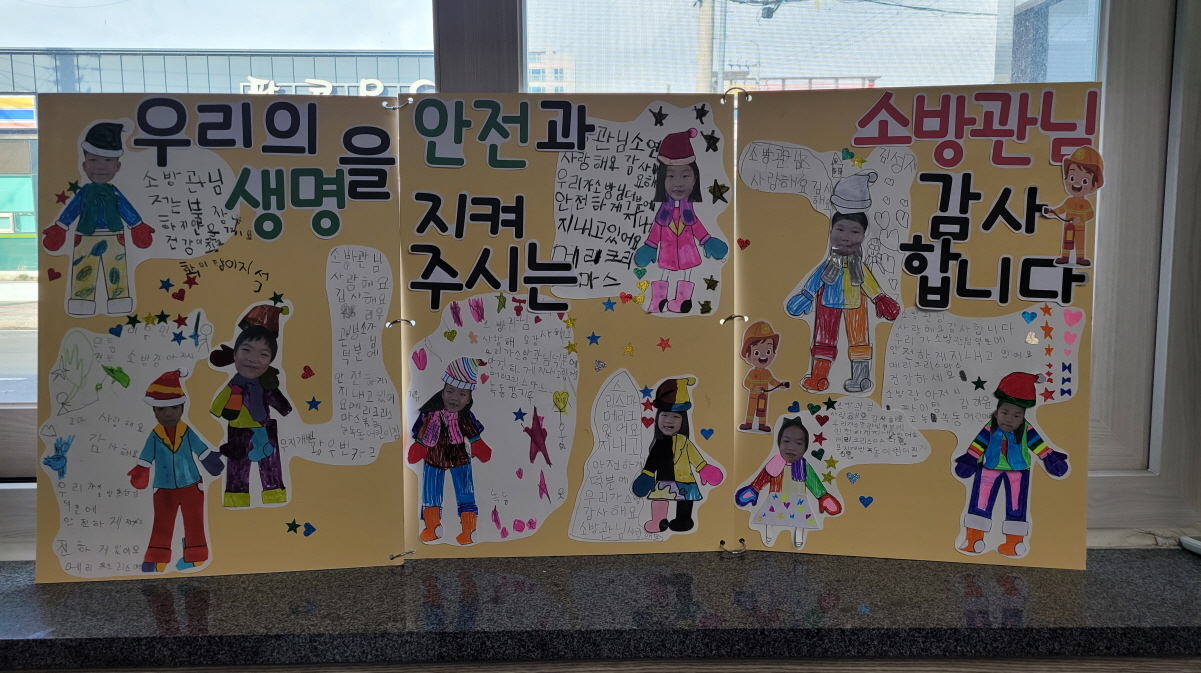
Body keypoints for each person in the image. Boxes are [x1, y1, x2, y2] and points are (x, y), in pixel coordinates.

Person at [785, 171, 900, 394]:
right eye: (840, 229)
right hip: (827, 302)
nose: (846, 236)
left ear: (863, 236)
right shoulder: (829, 264)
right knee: (824, 339)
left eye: (854, 231)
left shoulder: (860, 266)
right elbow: (816, 279)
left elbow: (868, 282)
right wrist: (806, 295)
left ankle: (861, 377)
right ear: (831, 232)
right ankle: (818, 376)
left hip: (856, 302)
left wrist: (880, 299)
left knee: (859, 340)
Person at [42, 122, 155, 316]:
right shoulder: (84, 192)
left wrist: (137, 225)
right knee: (82, 270)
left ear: (118, 166)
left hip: (115, 236)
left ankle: (119, 301)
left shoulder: (114, 192)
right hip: (84, 237)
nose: (100, 166)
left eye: (108, 160)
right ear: (84, 165)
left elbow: (126, 209)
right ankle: (81, 303)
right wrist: (60, 227)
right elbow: (71, 210)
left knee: (116, 270)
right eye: (93, 160)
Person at [953, 372, 1071, 558]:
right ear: (997, 412)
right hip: (989, 469)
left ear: (1023, 417)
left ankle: (1014, 543)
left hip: (1018, 471)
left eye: (1017, 415)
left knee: (1017, 505)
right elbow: (979, 444)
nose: (1009, 419)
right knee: (980, 501)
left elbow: (1039, 445)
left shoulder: (1027, 429)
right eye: (1005, 413)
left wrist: (1050, 458)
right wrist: (970, 458)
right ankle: (974, 539)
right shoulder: (990, 427)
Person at [127, 370, 224, 572]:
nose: (168, 413)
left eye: (174, 407)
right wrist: (141, 471)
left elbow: (201, 450)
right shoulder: (154, 435)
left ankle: (196, 555)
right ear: (154, 411)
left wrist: (213, 462)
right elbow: (145, 458)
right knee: (162, 522)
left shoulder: (187, 431)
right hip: (163, 487)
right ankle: (157, 558)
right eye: (161, 409)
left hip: (191, 484)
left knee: (194, 521)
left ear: (182, 408)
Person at [633, 128, 728, 314]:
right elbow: (656, 231)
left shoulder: (689, 213)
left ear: (695, 179)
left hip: (687, 251)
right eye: (670, 176)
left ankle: (682, 301)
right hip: (667, 251)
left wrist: (708, 241)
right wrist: (650, 246)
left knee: (687, 273)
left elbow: (698, 228)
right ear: (662, 179)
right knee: (665, 272)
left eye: (685, 175)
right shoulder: (663, 214)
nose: (678, 183)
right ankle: (659, 301)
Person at [209, 304, 293, 508]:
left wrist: (285, 410)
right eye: (246, 350)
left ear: (270, 360)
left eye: (263, 354)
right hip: (238, 431)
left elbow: (281, 404)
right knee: (237, 467)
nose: (252, 359)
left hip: (265, 429)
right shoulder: (234, 385)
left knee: (271, 466)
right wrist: (216, 411)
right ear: (235, 354)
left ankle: (275, 497)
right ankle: (236, 498)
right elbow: (217, 406)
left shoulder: (267, 384)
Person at [408, 357, 494, 545]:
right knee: (431, 492)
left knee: (465, 492)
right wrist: (419, 444)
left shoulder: (464, 417)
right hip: (434, 456)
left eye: (462, 394)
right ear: (442, 391)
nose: (454, 397)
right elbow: (420, 429)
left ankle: (469, 529)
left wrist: (477, 442)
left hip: (459, 457)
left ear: (469, 398)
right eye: (450, 391)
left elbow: (472, 431)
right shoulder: (430, 414)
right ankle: (432, 527)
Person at [632, 377, 724, 533]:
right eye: (664, 416)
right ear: (658, 417)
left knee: (686, 500)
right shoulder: (658, 443)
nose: (669, 421)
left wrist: (703, 468)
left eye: (675, 417)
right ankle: (659, 520)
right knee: (660, 498)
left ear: (683, 421)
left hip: (685, 479)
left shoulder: (685, 442)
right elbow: (652, 461)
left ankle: (683, 520)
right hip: (663, 478)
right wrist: (647, 475)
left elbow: (695, 457)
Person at [735, 417, 842, 549]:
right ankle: (768, 533)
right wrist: (753, 490)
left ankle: (799, 536)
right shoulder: (774, 464)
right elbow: (762, 478)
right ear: (779, 443)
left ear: (806, 447)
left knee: (800, 520)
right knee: (770, 516)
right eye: (786, 441)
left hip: (798, 500)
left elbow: (814, 483)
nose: (791, 447)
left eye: (799, 443)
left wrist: (823, 497)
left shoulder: (804, 466)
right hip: (776, 497)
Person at [1042, 146, 1104, 267]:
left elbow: (1090, 214)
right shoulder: (1069, 201)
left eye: (1085, 181)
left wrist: (1080, 219)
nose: (1076, 183)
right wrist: (1052, 212)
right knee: (1066, 241)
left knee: (1079, 242)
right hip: (1068, 226)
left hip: (1080, 228)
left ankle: (1080, 258)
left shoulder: (1086, 203)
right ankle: (1065, 256)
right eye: (1072, 177)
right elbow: (1061, 209)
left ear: (1093, 185)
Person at [739, 320, 789, 433]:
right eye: (756, 352)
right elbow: (746, 382)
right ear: (748, 356)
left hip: (764, 396)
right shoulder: (752, 373)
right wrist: (754, 388)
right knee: (751, 408)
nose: (763, 356)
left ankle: (762, 424)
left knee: (763, 410)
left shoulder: (767, 373)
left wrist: (780, 385)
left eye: (768, 351)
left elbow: (772, 381)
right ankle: (749, 423)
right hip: (753, 396)